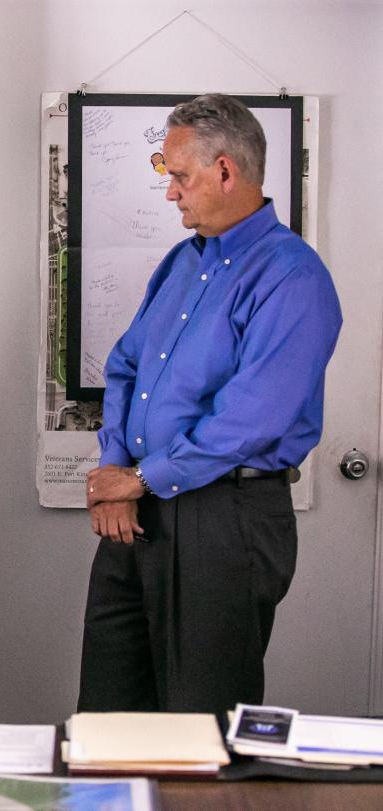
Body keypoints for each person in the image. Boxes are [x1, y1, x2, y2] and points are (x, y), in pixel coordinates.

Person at [79, 94, 343, 716]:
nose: (171, 192)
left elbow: (253, 419)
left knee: (200, 723)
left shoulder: (292, 277)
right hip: (138, 512)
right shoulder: (182, 261)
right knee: (108, 714)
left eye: (179, 175)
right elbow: (125, 367)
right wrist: (118, 473)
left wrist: (138, 478)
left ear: (225, 171)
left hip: (224, 517)